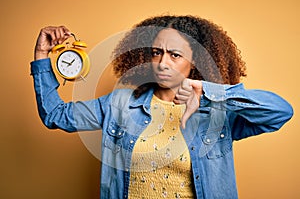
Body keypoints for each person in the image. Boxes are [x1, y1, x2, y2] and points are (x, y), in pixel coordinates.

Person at [31, 15, 293, 199]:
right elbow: (55, 116)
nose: (162, 62)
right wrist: (42, 56)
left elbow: (280, 112)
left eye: (175, 55)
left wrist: (210, 92)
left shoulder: (217, 113)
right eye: (157, 52)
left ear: (195, 62)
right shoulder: (120, 104)